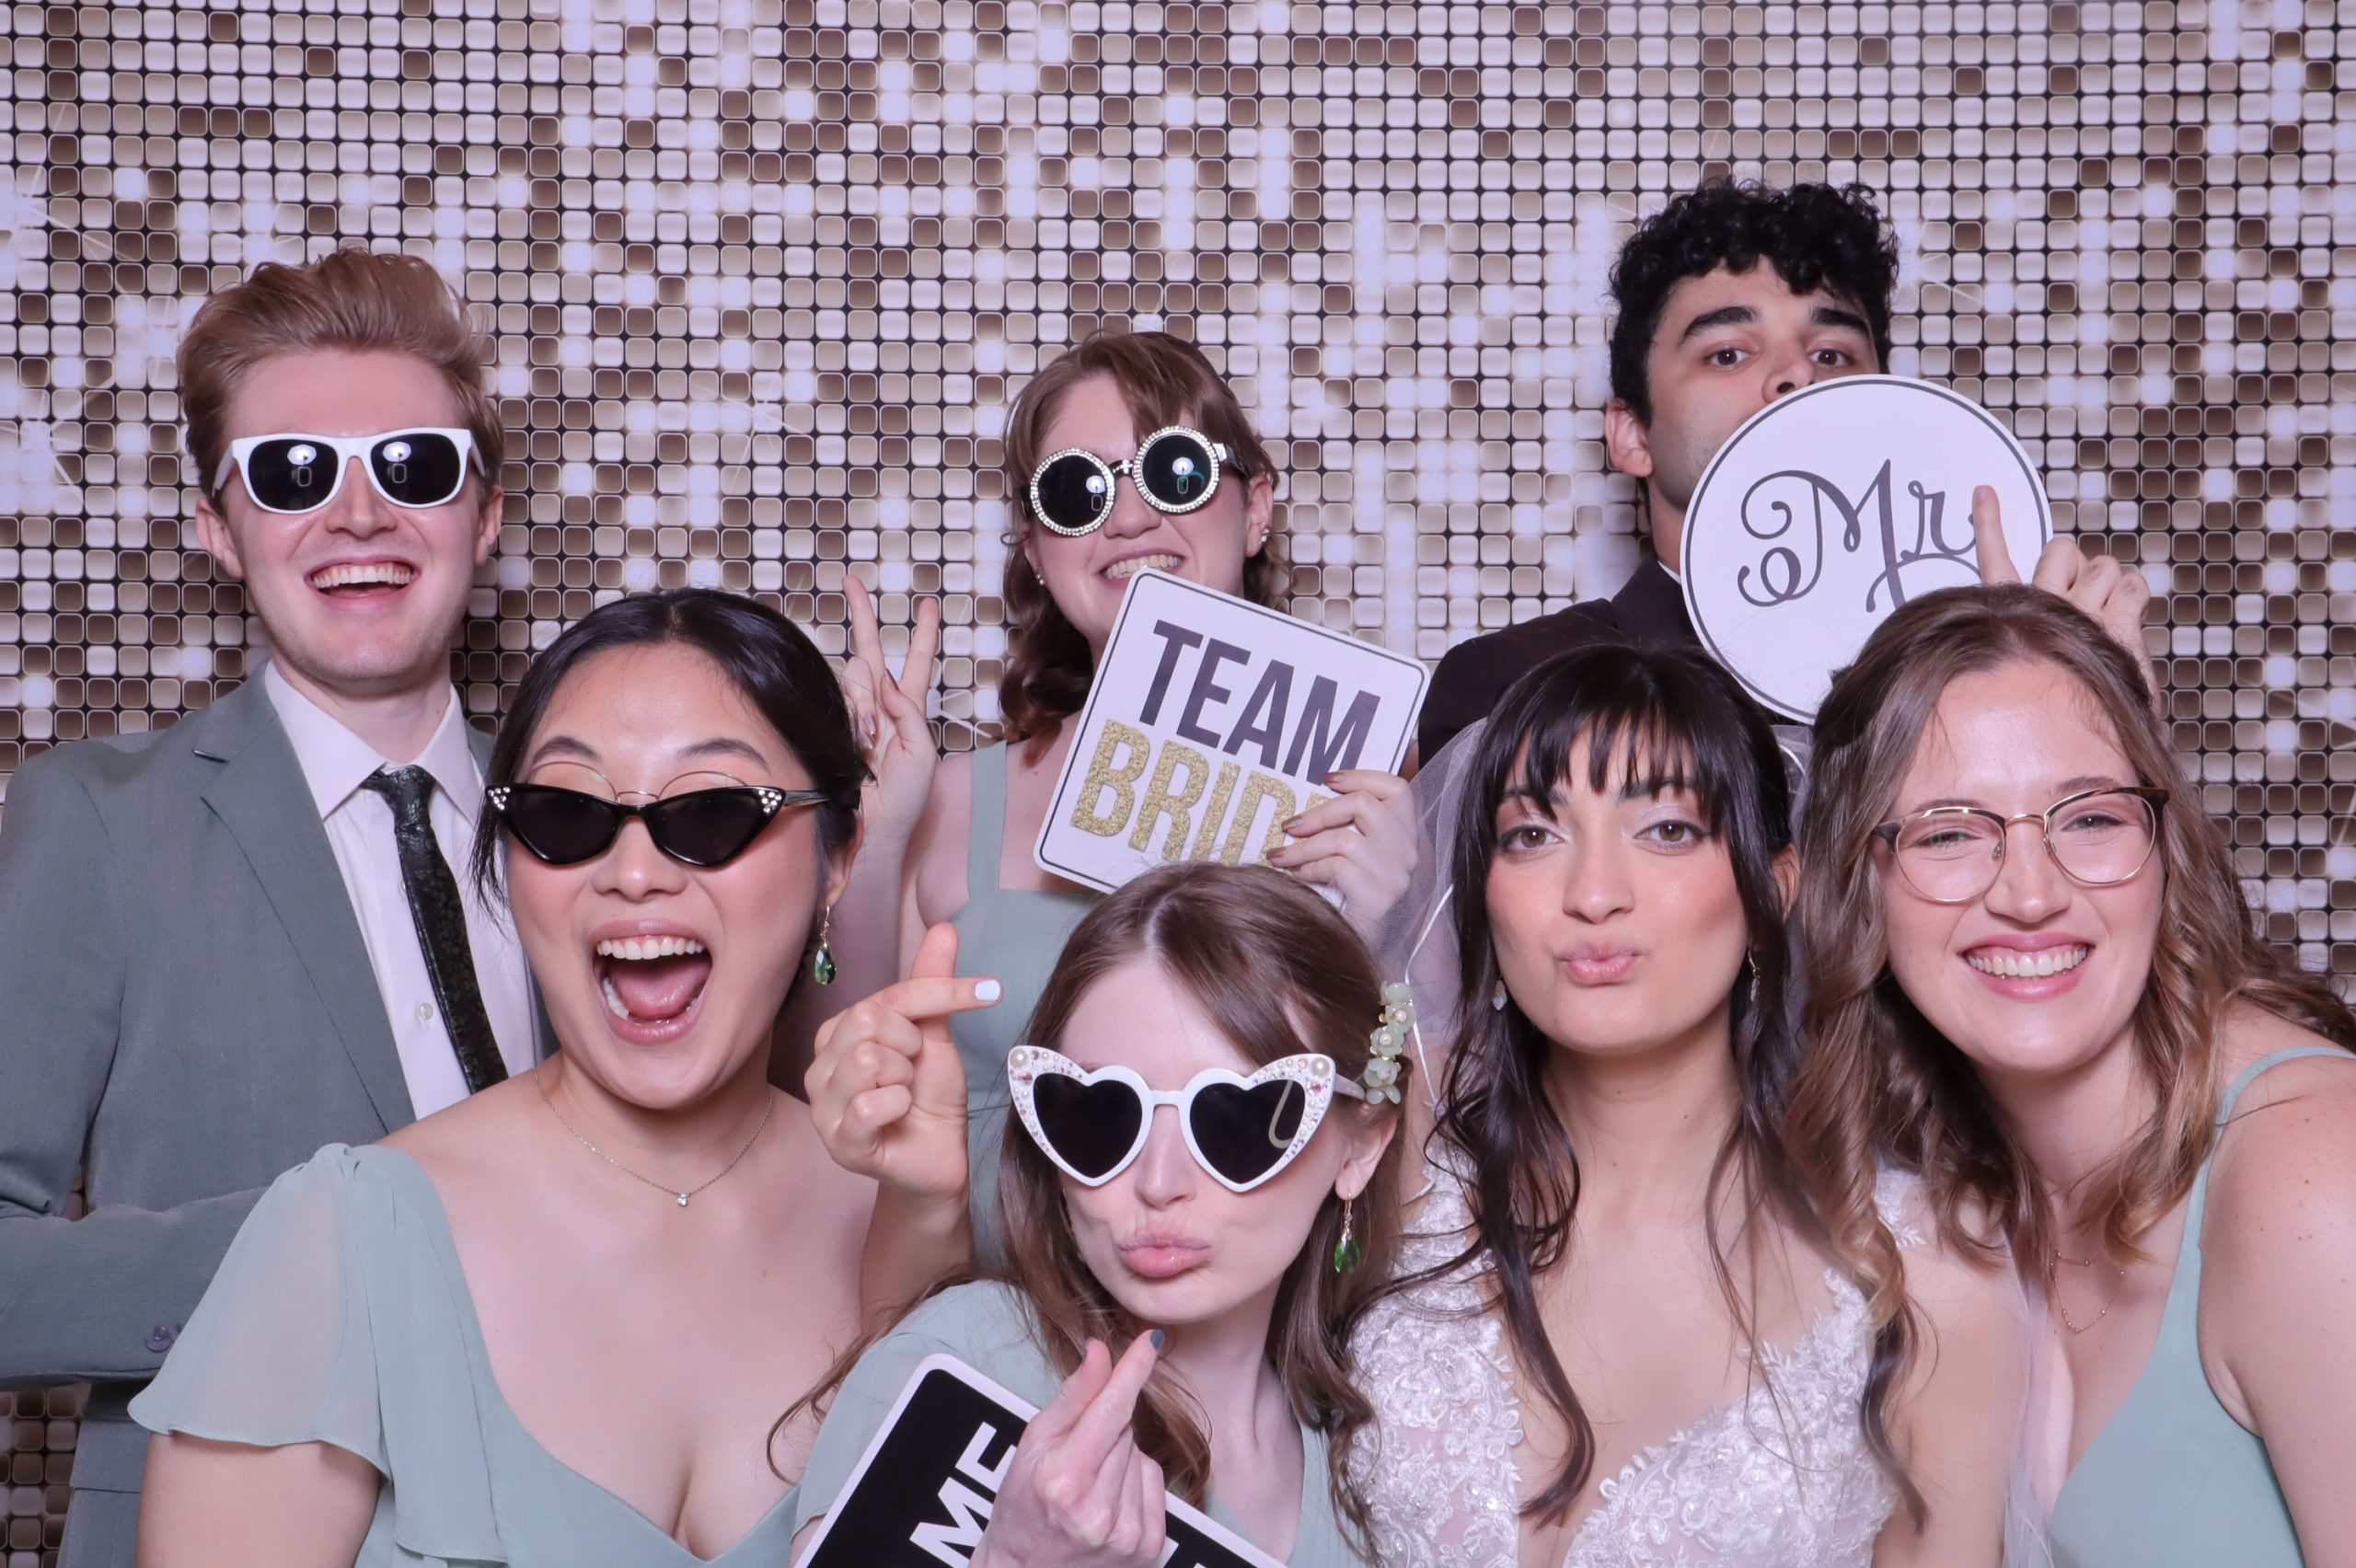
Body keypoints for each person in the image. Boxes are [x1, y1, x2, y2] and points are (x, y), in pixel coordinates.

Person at [129, 590, 897, 1566]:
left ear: (838, 857)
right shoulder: (344, 1240)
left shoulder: (914, 1224)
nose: (634, 872)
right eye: (567, 813)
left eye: (708, 813)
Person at [0, 248, 536, 1565]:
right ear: (216, 527)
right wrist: (320, 1259)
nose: (359, 516)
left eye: (413, 466)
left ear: (486, 515)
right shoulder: (98, 826)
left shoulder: (589, 832)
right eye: (293, 473)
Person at [1351, 644, 2025, 1566]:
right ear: (1481, 894)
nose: (1592, 895)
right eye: (1532, 836)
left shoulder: (1922, 1276)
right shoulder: (1385, 1199)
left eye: (1665, 830)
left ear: (1769, 892)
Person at [810, 329, 1415, 1268]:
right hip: (976, 1331)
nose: (1128, 516)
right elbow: (834, 1103)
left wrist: (1387, 925)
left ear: (1256, 508)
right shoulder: (947, 802)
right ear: (1038, 551)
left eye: (1174, 471)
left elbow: (1406, 1138)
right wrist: (876, 844)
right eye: (1078, 491)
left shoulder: (1361, 793)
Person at [1787, 583, 2356, 1566]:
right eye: (1950, 832)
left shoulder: (2312, 1183)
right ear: (1856, 887)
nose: (2032, 892)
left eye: (2088, 818)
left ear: (2160, 845)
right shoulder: (1950, 1199)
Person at [791, 861, 1404, 1565]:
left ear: (1361, 1147)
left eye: (1236, 1119)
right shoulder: (966, 1360)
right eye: (1102, 1117)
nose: (1158, 1182)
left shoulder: (1368, 1471)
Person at [1415, 181, 2153, 763]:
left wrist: (2097, 710)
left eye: (1832, 354)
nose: (1796, 374)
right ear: (1632, 434)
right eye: (1728, 353)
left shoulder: (1985, 682)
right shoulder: (1513, 689)